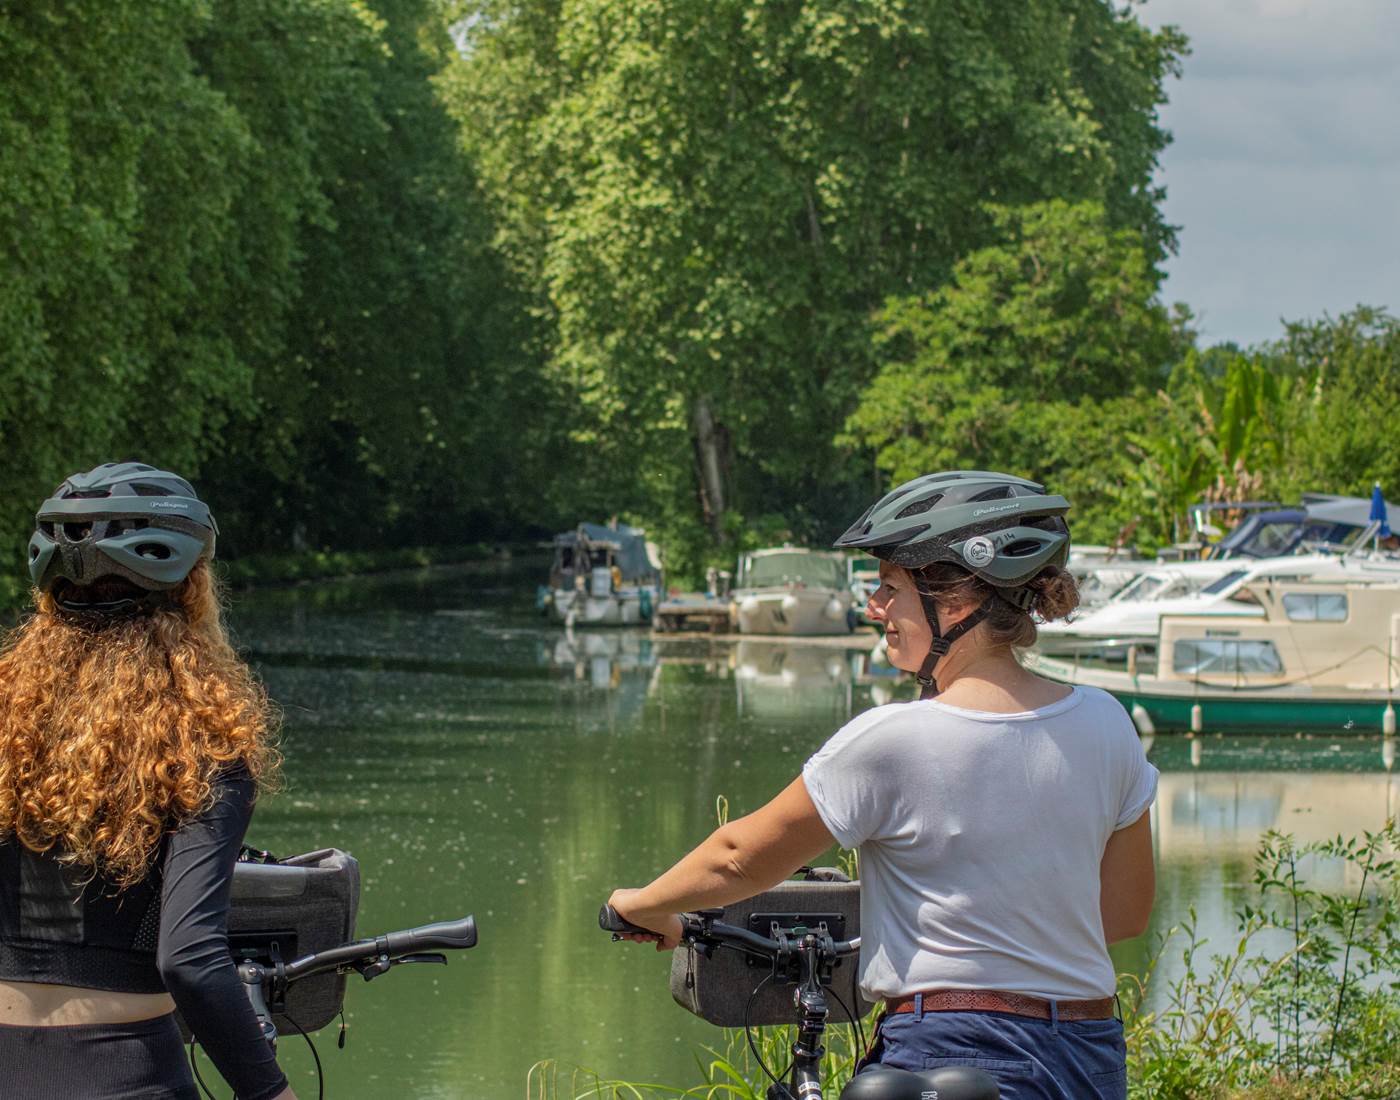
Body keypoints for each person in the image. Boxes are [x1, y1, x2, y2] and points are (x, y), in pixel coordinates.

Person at [607, 471, 1157, 1100]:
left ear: (957, 602)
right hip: (1087, 1057)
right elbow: (1125, 912)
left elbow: (738, 857)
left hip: (953, 1047)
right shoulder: (1107, 721)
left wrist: (643, 905)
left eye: (891, 588)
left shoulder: (895, 737)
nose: (873, 607)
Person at [0, 463, 295, 1100]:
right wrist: (271, 1093)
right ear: (193, 590)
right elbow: (189, 959)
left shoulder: (7, 731)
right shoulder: (200, 747)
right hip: (125, 1075)